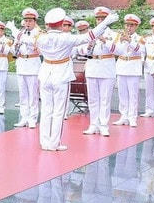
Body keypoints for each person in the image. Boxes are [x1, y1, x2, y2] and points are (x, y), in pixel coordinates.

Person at [37, 8, 117, 151]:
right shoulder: (67, 37)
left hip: (45, 74)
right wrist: (106, 22)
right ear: (61, 23)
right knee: (59, 111)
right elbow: (89, 36)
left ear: (48, 24)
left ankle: (45, 142)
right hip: (60, 75)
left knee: (46, 109)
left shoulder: (40, 38)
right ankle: (54, 143)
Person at [80, 6, 117, 137]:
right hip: (92, 67)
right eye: (98, 19)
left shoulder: (113, 35)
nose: (100, 21)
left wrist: (104, 41)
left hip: (107, 68)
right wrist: (87, 47)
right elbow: (80, 50)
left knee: (105, 99)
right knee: (93, 99)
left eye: (102, 19)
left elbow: (117, 50)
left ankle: (104, 125)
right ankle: (93, 124)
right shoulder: (91, 34)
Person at [111, 14, 145, 128]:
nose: (129, 27)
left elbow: (140, 50)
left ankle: (132, 117)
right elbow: (114, 51)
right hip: (121, 66)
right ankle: (124, 116)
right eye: (127, 25)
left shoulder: (139, 38)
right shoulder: (119, 37)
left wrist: (129, 41)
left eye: (131, 25)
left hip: (133, 67)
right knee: (122, 94)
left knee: (133, 94)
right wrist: (120, 42)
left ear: (136, 26)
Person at [13, 7, 41, 129]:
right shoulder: (20, 33)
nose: (27, 23)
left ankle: (33, 118)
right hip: (21, 64)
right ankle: (24, 117)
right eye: (26, 21)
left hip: (33, 64)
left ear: (34, 21)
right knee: (23, 94)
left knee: (33, 94)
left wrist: (24, 40)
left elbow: (36, 45)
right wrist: (16, 46)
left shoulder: (39, 33)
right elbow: (14, 48)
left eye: (30, 21)